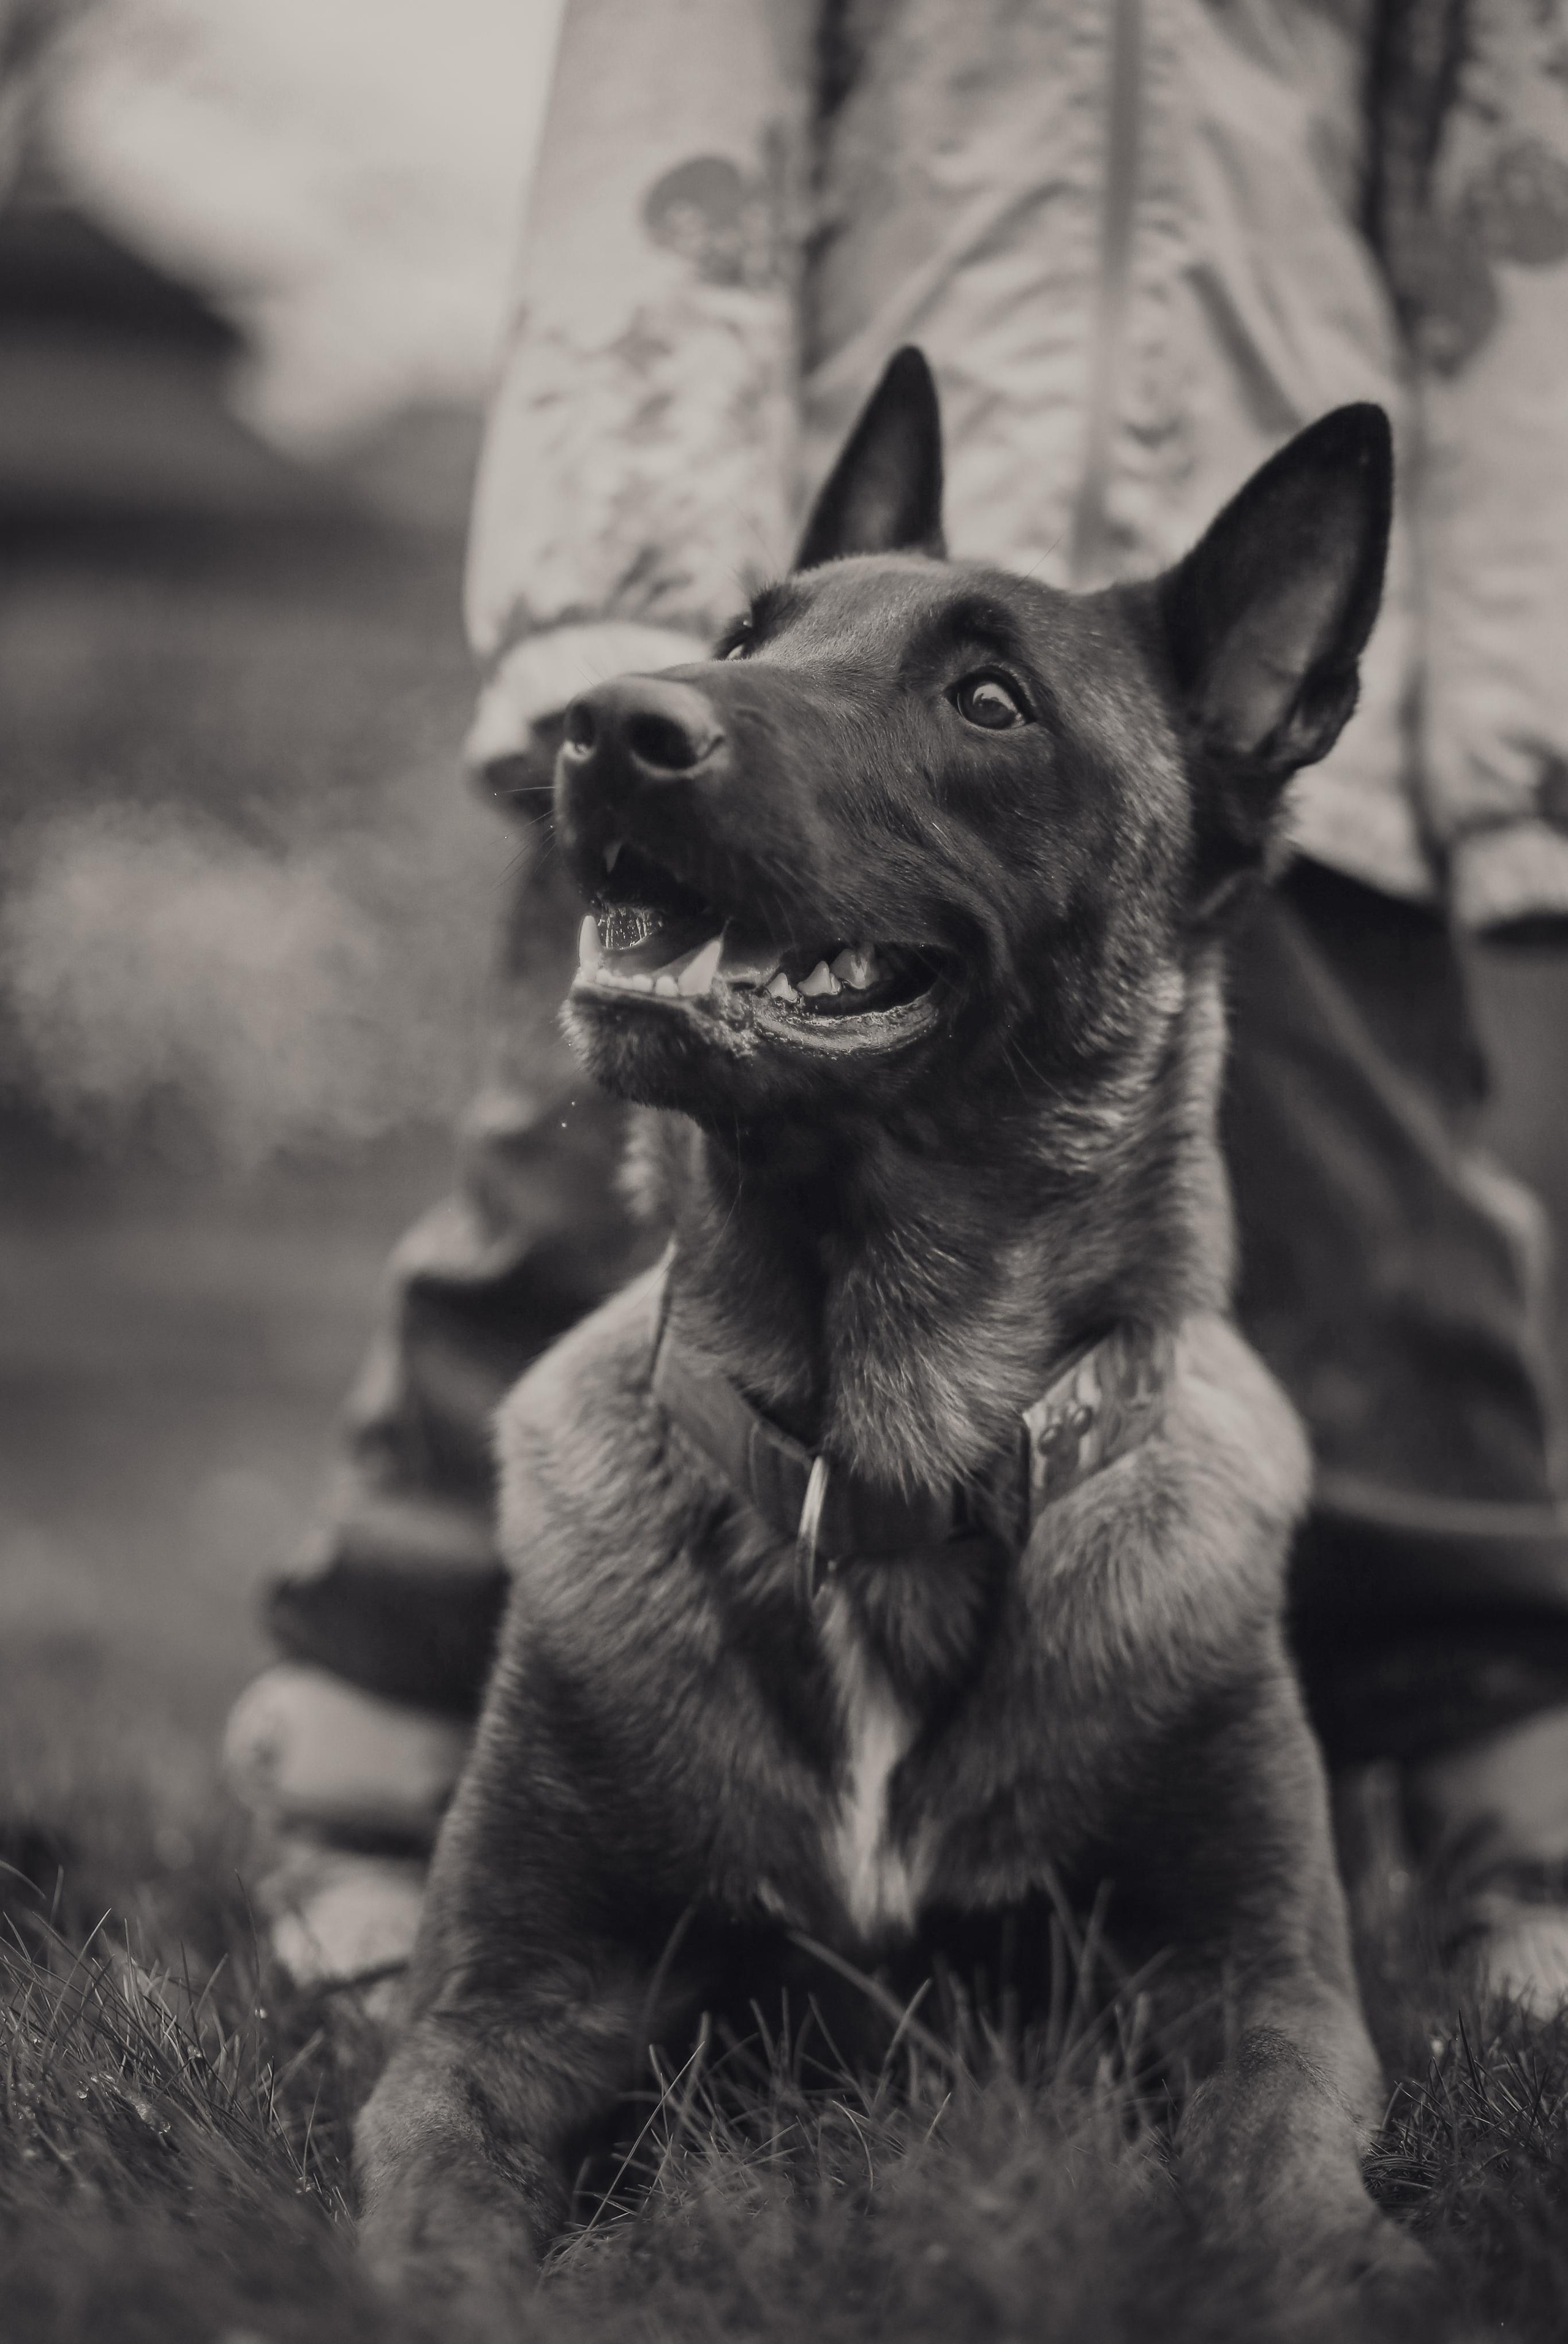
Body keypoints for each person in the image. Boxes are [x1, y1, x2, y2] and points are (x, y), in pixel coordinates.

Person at [225, 0, 1568, 2010]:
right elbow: (667, 90)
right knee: (555, 1192)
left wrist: (1526, 738)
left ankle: (1509, 1820)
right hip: (813, 508)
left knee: (1400, 1264)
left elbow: (1516, 198)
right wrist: (627, 609)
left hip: (1265, 465)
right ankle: (364, 1767)